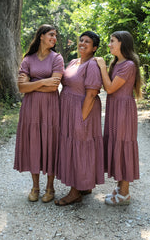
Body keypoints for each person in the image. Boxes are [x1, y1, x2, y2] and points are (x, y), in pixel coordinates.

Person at [14, 24, 64, 203]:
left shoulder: (57, 58)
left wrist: (33, 85)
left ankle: (50, 188)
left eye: (55, 36)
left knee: (50, 143)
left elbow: (54, 86)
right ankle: (35, 187)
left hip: (51, 107)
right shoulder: (27, 60)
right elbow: (21, 87)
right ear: (41, 36)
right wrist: (45, 81)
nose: (54, 38)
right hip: (31, 108)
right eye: (51, 34)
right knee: (33, 143)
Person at [54, 31, 104, 206]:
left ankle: (75, 192)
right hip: (68, 109)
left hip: (83, 111)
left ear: (94, 48)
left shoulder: (91, 65)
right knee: (76, 146)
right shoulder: (74, 62)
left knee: (80, 147)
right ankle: (85, 184)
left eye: (87, 42)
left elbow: (91, 94)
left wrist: (81, 118)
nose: (82, 43)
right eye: (81, 40)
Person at [94, 30, 142, 205]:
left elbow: (111, 88)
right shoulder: (117, 63)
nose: (109, 44)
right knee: (116, 143)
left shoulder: (128, 65)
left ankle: (125, 193)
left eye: (112, 41)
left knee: (123, 146)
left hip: (123, 110)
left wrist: (102, 66)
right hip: (115, 108)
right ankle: (120, 186)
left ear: (122, 43)